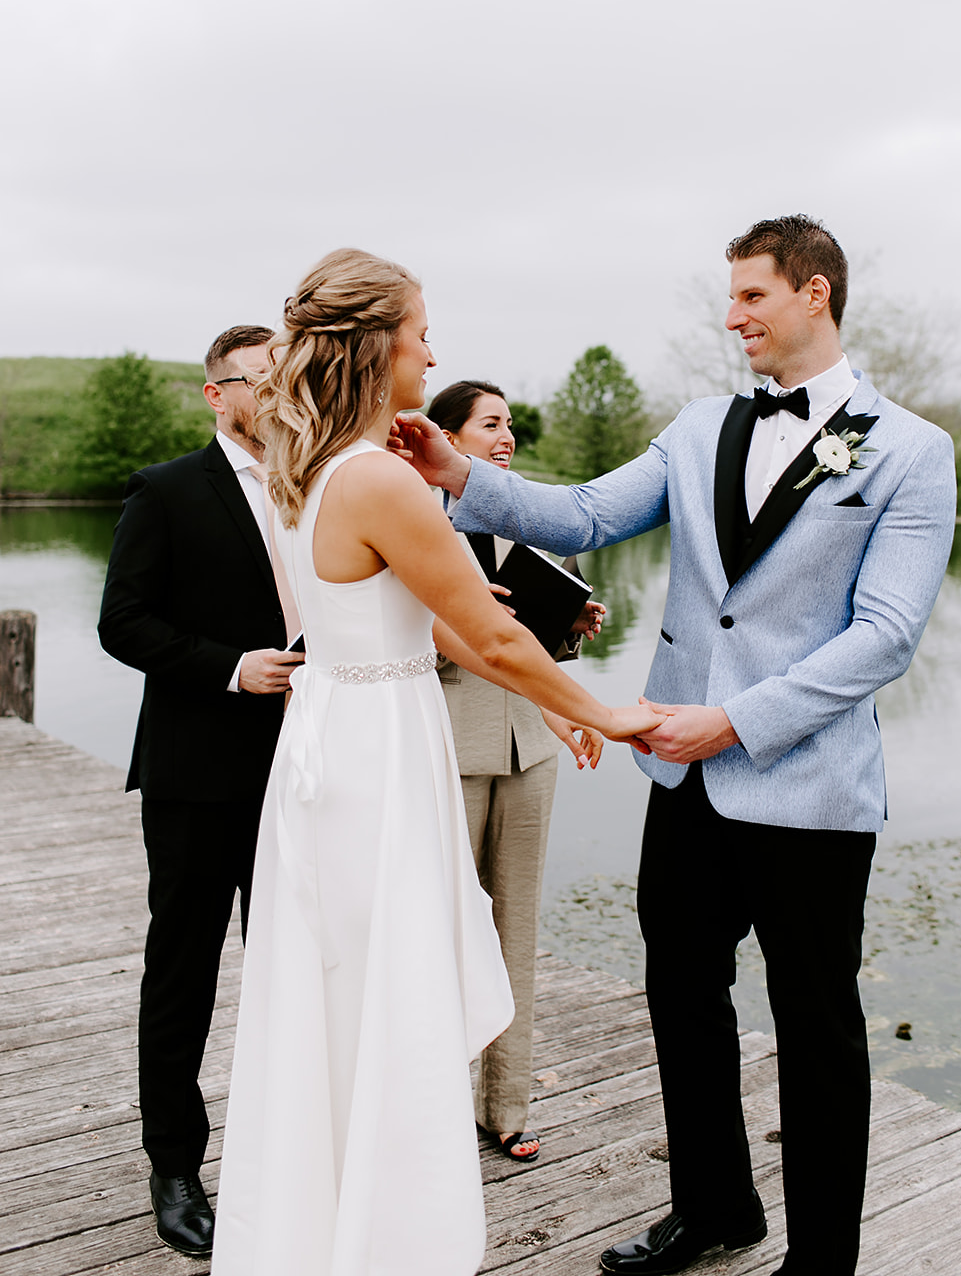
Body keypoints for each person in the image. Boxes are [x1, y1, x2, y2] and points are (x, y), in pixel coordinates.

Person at [396, 215, 957, 1276]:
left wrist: (735, 720)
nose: (732, 312)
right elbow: (582, 514)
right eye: (731, 293)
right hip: (683, 781)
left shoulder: (907, 450)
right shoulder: (698, 429)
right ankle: (712, 1209)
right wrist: (456, 475)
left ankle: (820, 1261)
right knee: (681, 998)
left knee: (816, 1025)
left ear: (813, 295)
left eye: (750, 293)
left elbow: (882, 636)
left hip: (808, 790)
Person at [209, 249, 657, 1276]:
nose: (432, 350)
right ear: (377, 349)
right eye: (420, 332)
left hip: (333, 745)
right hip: (379, 763)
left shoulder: (313, 466)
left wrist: (561, 703)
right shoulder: (376, 480)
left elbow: (459, 625)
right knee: (393, 997)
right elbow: (492, 639)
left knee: (341, 997)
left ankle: (323, 1228)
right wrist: (607, 712)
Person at [98, 324, 304, 1257]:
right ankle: (174, 1166)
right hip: (196, 775)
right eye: (260, 381)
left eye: (286, 377)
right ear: (217, 394)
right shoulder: (168, 490)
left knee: (295, 967)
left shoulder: (320, 485)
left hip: (305, 769)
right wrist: (230, 668)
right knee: (183, 971)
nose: (278, 394)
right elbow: (121, 622)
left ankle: (290, 1155)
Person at [427, 379, 607, 1165]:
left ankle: (506, 1106)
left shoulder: (541, 526)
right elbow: (386, 641)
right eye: (489, 425)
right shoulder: (411, 524)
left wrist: (572, 630)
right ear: (447, 438)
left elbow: (544, 656)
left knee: (515, 930)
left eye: (510, 427)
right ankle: (430, 1106)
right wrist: (459, 628)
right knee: (440, 934)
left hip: (529, 749)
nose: (505, 439)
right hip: (444, 747)